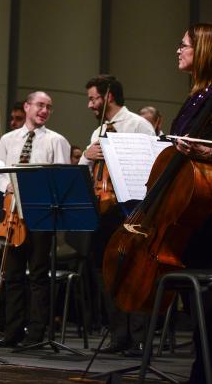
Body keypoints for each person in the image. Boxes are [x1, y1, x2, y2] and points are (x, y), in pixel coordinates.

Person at [79, 75, 155, 356]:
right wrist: (86, 155)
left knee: (134, 270)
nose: (90, 105)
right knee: (103, 271)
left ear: (108, 97)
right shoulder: (96, 131)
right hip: (103, 210)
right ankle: (118, 334)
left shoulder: (138, 125)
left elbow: (154, 164)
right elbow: (86, 171)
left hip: (131, 208)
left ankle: (137, 338)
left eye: (93, 98)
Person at [0, 91, 70, 348]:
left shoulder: (57, 141)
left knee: (37, 275)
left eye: (48, 107)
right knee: (12, 274)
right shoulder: (8, 139)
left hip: (40, 215)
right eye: (39, 105)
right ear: (27, 107)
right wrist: (7, 187)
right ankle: (12, 331)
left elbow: (61, 177)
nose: (44, 110)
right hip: (13, 215)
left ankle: (35, 334)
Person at [161, 24, 212, 382]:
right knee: (197, 307)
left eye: (183, 46)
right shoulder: (197, 96)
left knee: (206, 304)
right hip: (188, 208)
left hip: (206, 212)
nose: (178, 51)